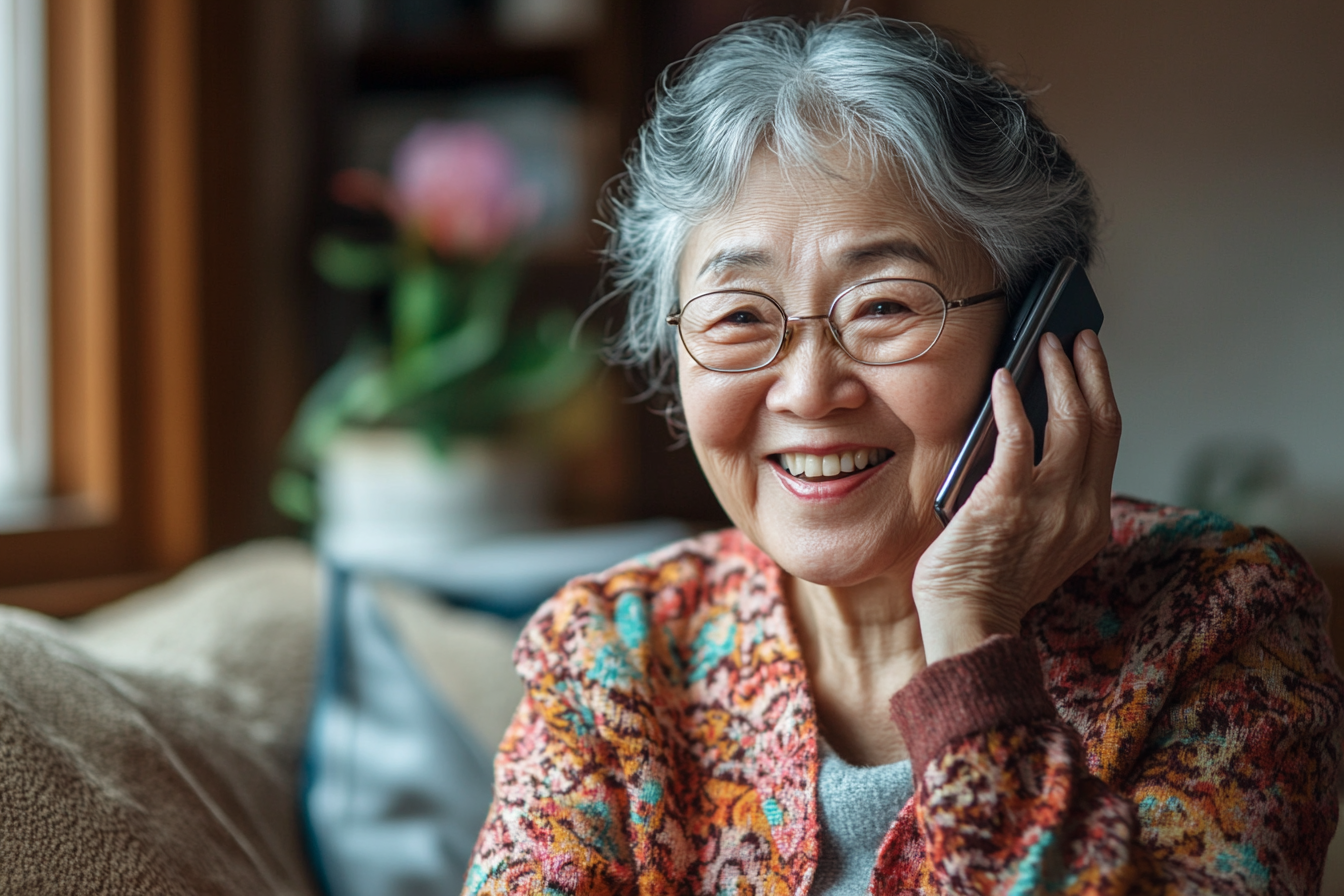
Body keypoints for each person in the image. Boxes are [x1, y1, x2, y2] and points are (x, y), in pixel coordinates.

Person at [466, 15, 1343, 895]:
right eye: (738, 317)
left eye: (885, 306)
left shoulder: (1222, 621)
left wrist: (971, 635)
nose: (808, 391)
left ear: (1033, 335)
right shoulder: (613, 654)